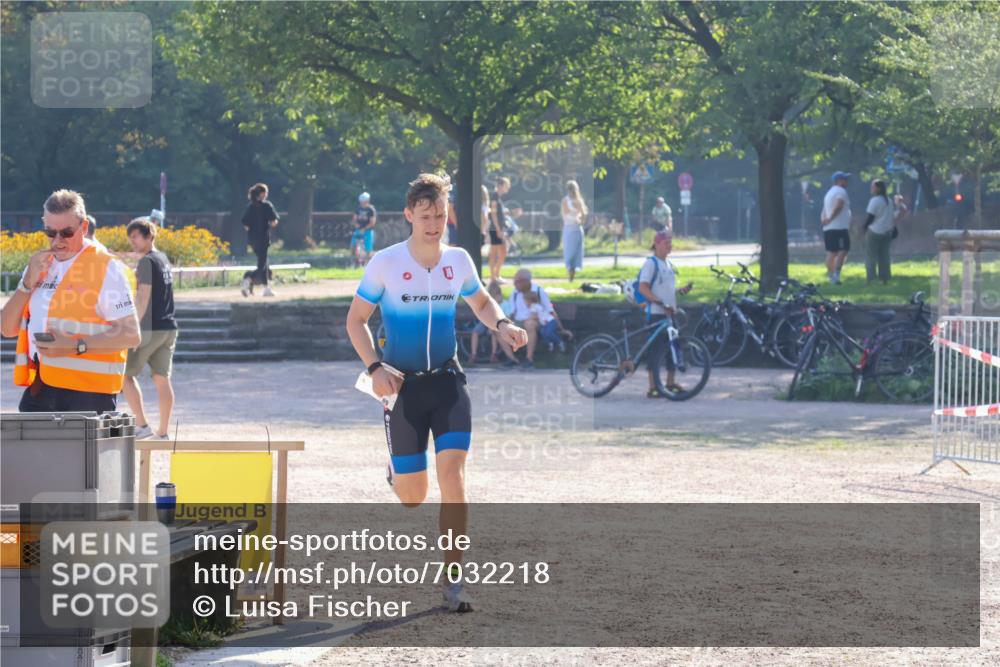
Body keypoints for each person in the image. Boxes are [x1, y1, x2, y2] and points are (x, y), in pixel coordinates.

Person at [345, 173, 528, 613]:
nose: (434, 224)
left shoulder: (459, 260)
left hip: (447, 381)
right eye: (426, 216)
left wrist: (502, 324)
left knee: (454, 478)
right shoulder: (385, 264)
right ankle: (396, 470)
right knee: (413, 497)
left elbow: (481, 302)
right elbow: (355, 322)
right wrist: (374, 368)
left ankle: (453, 581)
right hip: (402, 387)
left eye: (441, 215)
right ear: (409, 214)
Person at [0, 189, 140, 412]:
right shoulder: (39, 264)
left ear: (84, 227)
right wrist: (26, 283)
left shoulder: (106, 267)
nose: (57, 241)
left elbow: (131, 335)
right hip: (41, 386)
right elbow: (6, 329)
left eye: (66, 232)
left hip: (89, 394)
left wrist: (76, 346)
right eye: (50, 232)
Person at [121, 217, 178, 440]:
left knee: (124, 375)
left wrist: (131, 326)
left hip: (149, 328)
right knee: (161, 379)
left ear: (149, 236)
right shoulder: (163, 259)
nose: (132, 241)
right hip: (169, 327)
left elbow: (143, 297)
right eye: (131, 237)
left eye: (135, 236)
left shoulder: (146, 262)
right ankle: (163, 432)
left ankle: (142, 425)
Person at [638, 230, 693, 398]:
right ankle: (653, 386)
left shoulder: (668, 264)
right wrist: (660, 303)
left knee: (673, 349)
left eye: (671, 242)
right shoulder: (651, 263)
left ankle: (670, 382)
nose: (670, 245)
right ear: (657, 244)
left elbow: (666, 289)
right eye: (666, 242)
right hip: (656, 314)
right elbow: (643, 287)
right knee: (655, 350)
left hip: (670, 314)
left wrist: (680, 291)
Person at [497, 268, 572, 369]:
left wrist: (561, 328)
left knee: (530, 324)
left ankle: (529, 358)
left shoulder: (538, 291)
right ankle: (512, 358)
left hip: (535, 321)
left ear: (525, 281)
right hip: (518, 321)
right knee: (499, 329)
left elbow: (550, 310)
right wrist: (504, 323)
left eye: (517, 282)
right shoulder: (514, 293)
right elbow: (511, 313)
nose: (515, 284)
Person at [241, 183, 280, 297]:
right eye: (266, 192)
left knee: (264, 264)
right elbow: (273, 222)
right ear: (262, 193)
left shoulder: (250, 207)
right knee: (262, 265)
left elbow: (246, 224)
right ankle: (249, 279)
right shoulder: (266, 205)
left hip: (253, 240)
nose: (266, 195)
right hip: (263, 239)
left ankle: (266, 288)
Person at [821, 171, 852, 284]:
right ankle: (837, 274)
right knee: (843, 250)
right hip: (839, 227)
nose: (847, 181)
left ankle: (831, 276)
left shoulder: (829, 193)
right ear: (839, 181)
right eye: (845, 179)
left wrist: (825, 220)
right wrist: (831, 218)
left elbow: (824, 210)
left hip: (828, 228)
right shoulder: (841, 191)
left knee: (831, 252)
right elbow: (839, 205)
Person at [466, 281, 506, 365]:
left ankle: (494, 354)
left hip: (495, 322)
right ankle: (473, 354)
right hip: (484, 321)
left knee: (493, 332)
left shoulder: (501, 301)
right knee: (475, 331)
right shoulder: (486, 299)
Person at [561, 180, 587, 282]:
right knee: (569, 253)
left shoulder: (579, 201)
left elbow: (583, 214)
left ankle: (572, 277)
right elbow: (566, 214)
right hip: (569, 228)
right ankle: (570, 275)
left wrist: (580, 221)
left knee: (576, 254)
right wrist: (576, 218)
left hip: (576, 229)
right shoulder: (566, 200)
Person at [351, 191, 377, 265]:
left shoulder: (371, 210)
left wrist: (364, 229)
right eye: (361, 202)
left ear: (367, 201)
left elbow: (373, 222)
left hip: (368, 231)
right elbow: (354, 219)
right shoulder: (358, 209)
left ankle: (368, 264)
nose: (363, 203)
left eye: (364, 202)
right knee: (353, 245)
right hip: (358, 230)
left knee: (368, 248)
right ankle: (354, 262)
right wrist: (356, 225)